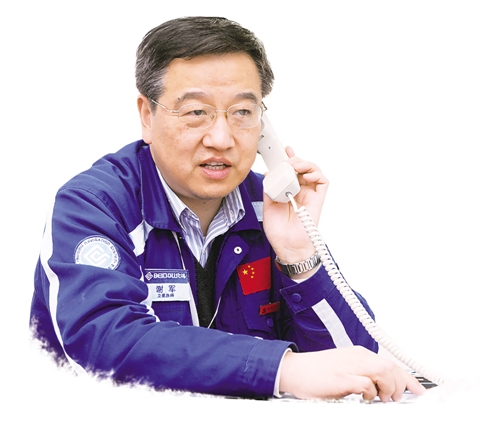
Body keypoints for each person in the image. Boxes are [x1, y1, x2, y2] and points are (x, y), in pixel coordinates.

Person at [30, 16, 425, 402]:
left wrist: (300, 255)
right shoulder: (94, 205)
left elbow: (354, 365)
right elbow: (102, 341)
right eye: (196, 112)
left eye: (242, 113)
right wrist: (281, 369)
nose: (221, 138)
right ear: (147, 117)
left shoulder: (268, 208)